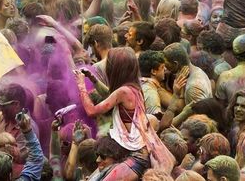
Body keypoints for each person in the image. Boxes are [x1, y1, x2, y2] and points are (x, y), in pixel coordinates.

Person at [75, 47, 175, 179]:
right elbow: (110, 96)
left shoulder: (123, 91)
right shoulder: (134, 88)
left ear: (116, 69)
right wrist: (93, 79)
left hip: (136, 158)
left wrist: (81, 84)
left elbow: (91, 111)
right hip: (139, 153)